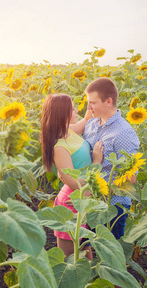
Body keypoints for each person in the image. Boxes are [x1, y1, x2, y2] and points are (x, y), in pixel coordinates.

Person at [40, 93, 103, 260]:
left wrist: (91, 108)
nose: (76, 110)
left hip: (82, 201)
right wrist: (96, 161)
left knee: (86, 262)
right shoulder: (59, 147)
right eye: (73, 108)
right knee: (70, 263)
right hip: (71, 204)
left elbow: (85, 121)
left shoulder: (69, 131)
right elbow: (76, 184)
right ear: (63, 113)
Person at [82, 77, 140, 240]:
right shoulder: (92, 124)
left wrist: (103, 194)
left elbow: (131, 176)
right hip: (91, 203)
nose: (88, 107)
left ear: (108, 101)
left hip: (113, 206)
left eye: (92, 102)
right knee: (88, 252)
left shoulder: (123, 133)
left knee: (109, 258)